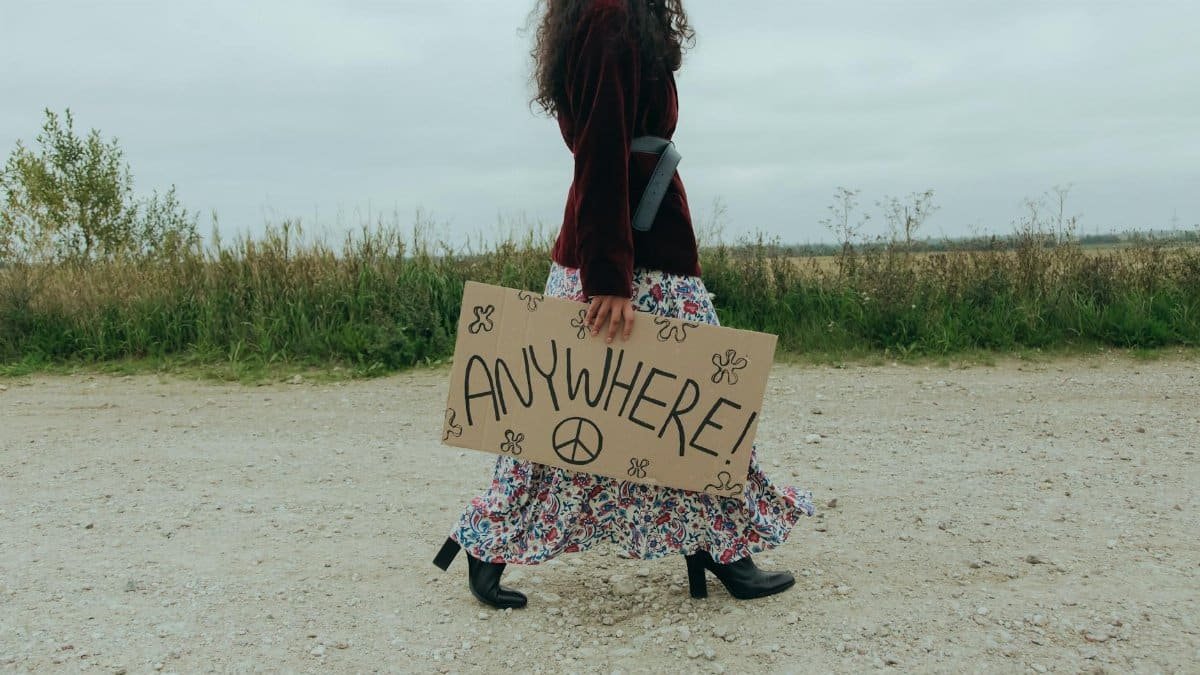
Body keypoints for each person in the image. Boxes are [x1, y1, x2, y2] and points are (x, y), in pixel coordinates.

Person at [432, 0, 814, 609]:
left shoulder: (621, 12)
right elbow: (601, 143)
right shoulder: (610, 13)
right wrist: (609, 274)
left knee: (678, 409)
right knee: (640, 407)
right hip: (630, 251)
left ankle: (719, 545)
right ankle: (490, 539)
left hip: (640, 237)